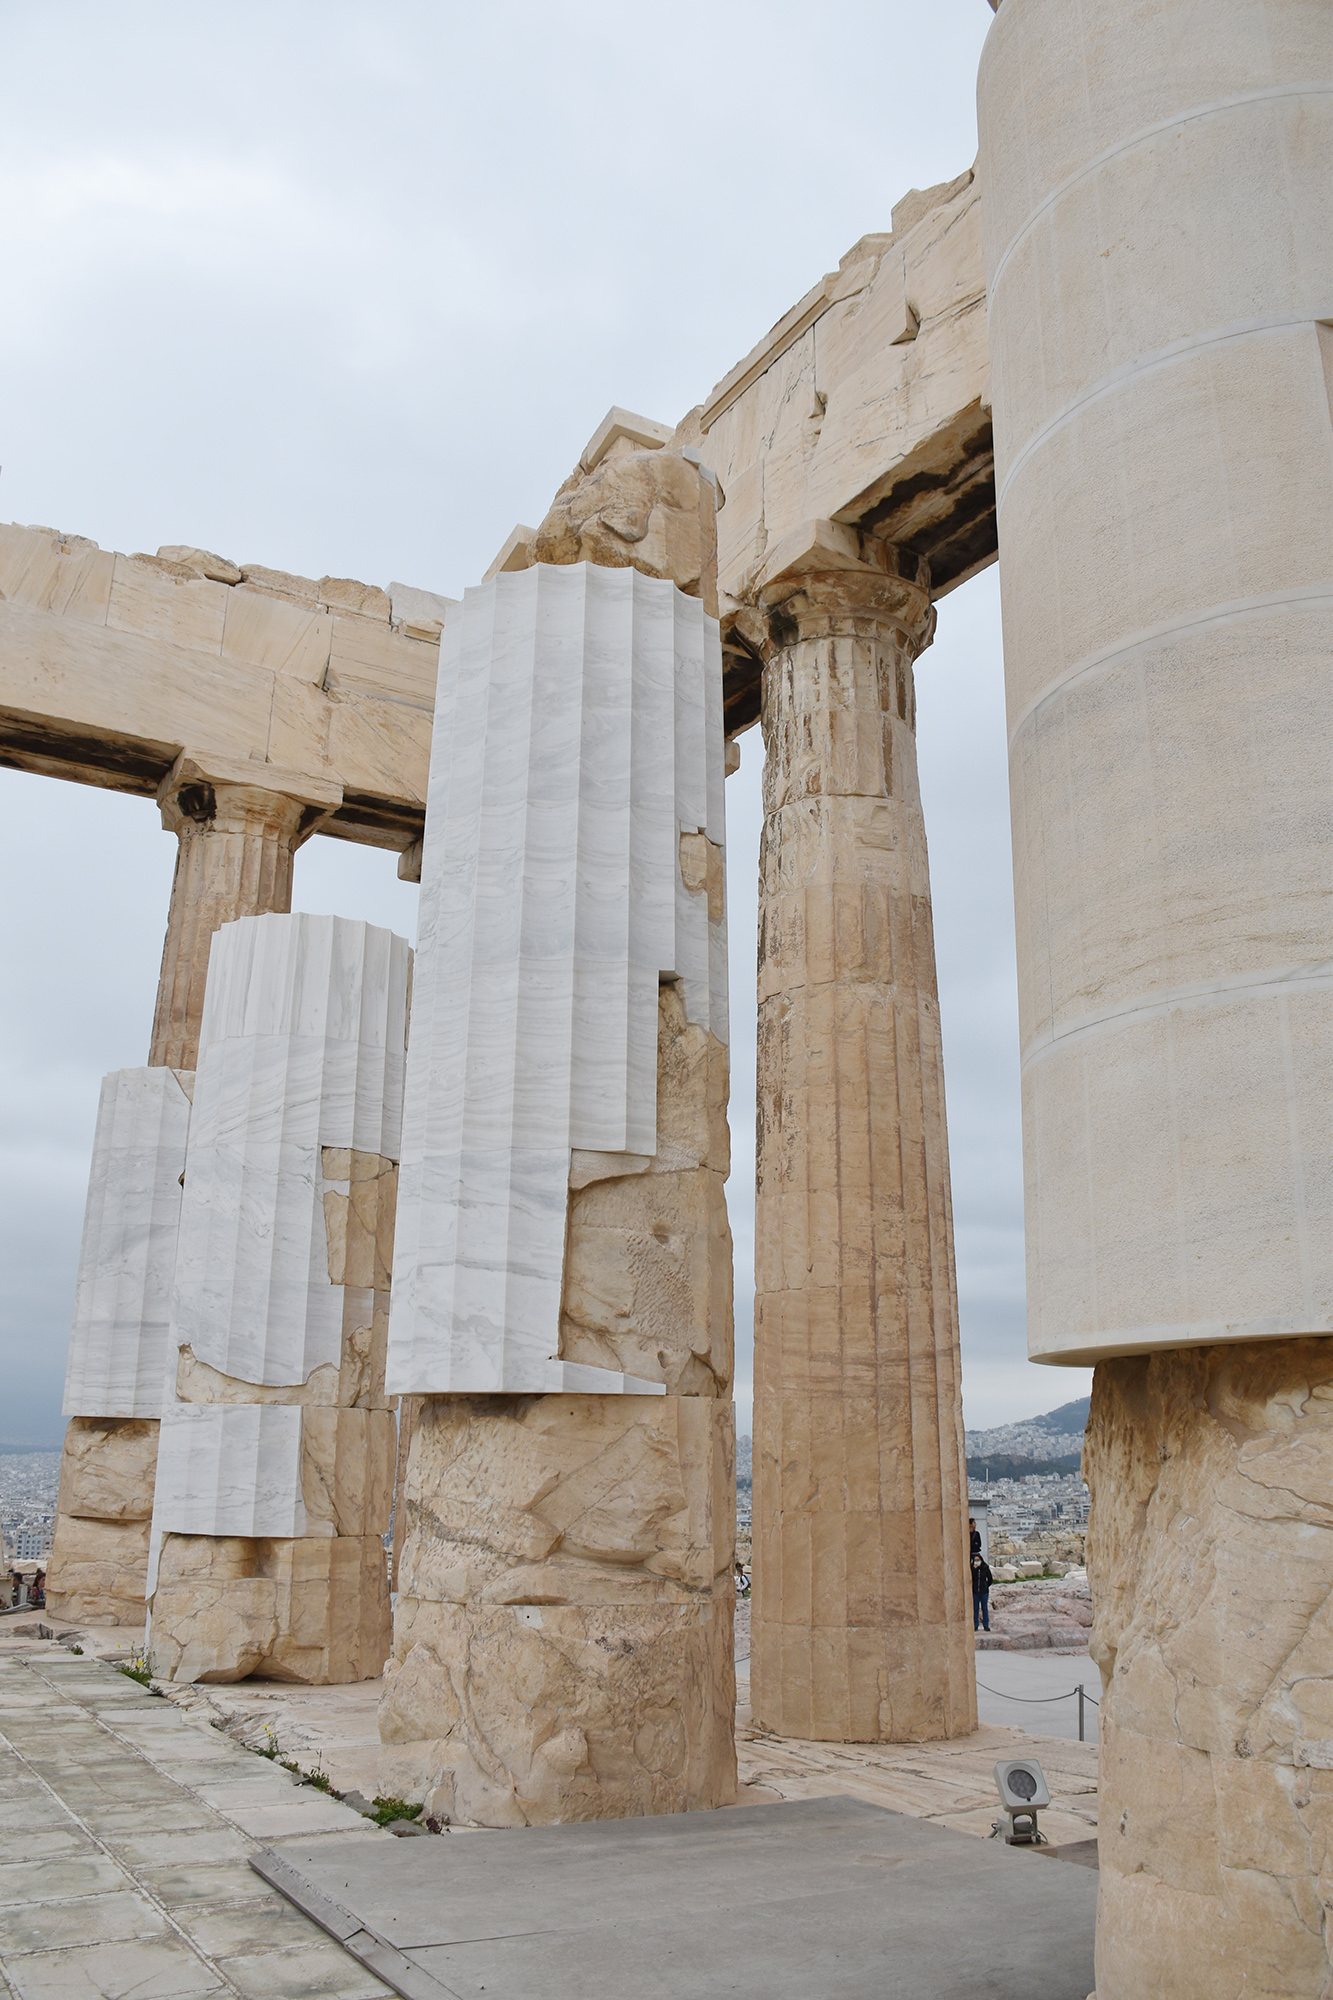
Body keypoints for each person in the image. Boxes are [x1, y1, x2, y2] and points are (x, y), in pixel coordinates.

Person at [970, 1525, 993, 1634]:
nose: (977, 1562)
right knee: (975, 1609)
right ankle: (975, 1625)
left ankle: (986, 1625)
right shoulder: (973, 1569)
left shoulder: (985, 1568)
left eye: (978, 1560)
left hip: (983, 1591)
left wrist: (985, 1585)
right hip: (975, 1591)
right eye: (975, 1560)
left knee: (984, 1608)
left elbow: (990, 1579)